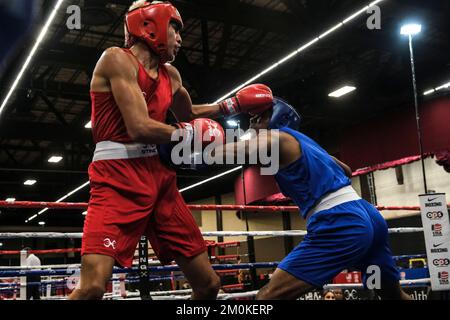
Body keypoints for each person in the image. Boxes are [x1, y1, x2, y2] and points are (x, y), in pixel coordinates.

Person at [68, 0, 272, 300]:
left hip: (160, 180)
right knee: (92, 289)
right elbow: (138, 126)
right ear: (150, 25)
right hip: (116, 179)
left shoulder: (171, 75)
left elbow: (189, 113)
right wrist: (189, 134)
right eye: (175, 27)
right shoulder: (116, 59)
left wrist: (234, 105)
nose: (180, 37)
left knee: (209, 285)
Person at [214, 94, 411, 300]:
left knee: (267, 298)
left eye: (257, 118)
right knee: (392, 296)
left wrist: (192, 148)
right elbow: (346, 170)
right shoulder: (306, 143)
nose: (252, 124)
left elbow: (230, 152)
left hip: (341, 224)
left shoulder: (275, 137)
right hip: (368, 216)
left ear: (276, 119)